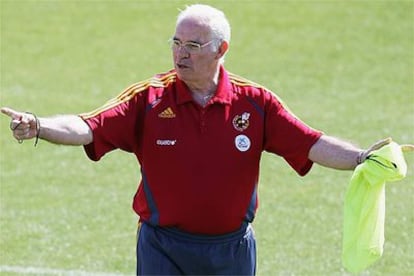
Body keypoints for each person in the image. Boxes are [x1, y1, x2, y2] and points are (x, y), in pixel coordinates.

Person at [1, 4, 392, 275]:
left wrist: (360, 158)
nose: (180, 54)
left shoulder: (255, 104)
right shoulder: (149, 99)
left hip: (232, 251)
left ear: (221, 49)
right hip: (162, 249)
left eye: (192, 45)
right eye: (175, 43)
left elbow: (311, 143)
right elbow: (90, 126)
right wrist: (39, 125)